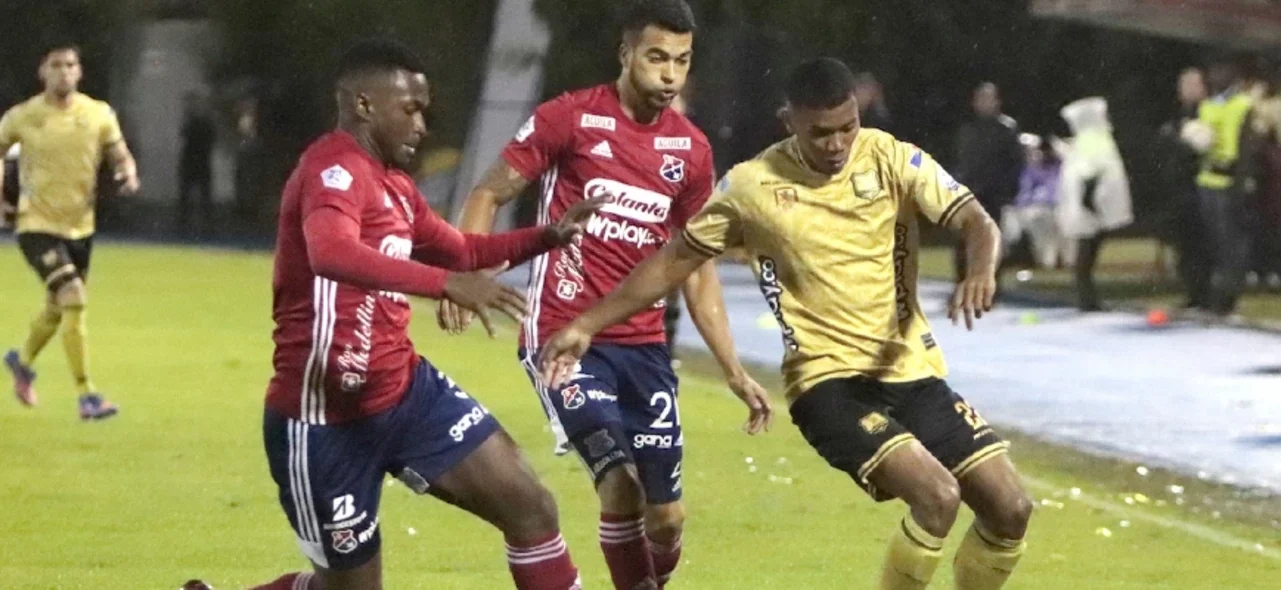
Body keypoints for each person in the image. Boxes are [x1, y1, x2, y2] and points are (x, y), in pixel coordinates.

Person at [541, 57, 1034, 590]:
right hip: (828, 385)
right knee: (937, 497)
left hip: (912, 373)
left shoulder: (890, 156)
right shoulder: (752, 187)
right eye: (820, 132)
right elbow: (673, 262)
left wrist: (980, 270)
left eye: (847, 126)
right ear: (789, 121)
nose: (837, 144)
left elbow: (976, 220)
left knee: (1011, 507)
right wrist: (588, 323)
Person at [221, 40, 598, 590]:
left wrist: (547, 236)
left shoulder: (395, 186)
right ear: (364, 104)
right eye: (411, 109)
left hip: (405, 394)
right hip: (323, 420)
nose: (422, 125)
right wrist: (445, 285)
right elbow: (331, 252)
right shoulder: (333, 170)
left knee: (531, 507)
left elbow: (462, 251)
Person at [441, 1, 769, 588]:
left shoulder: (692, 151)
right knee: (620, 484)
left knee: (666, 518)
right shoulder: (569, 118)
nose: (669, 74)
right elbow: (489, 193)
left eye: (682, 61)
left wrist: (733, 369)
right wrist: (466, 271)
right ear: (625, 54)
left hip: (643, 348)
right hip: (563, 336)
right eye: (656, 58)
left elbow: (697, 270)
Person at [1, 43, 140, 419]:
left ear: (79, 72)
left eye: (70, 65)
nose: (64, 71)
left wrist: (128, 172)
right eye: (56, 65)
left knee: (56, 307)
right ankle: (86, 396)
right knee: (73, 297)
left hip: (81, 227)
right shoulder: (23, 116)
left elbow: (120, 154)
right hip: (36, 225)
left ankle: (21, 361)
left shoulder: (98, 114)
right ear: (42, 72)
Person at [1194, 59, 1260, 317]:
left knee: (1230, 242)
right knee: (1214, 242)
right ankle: (1215, 296)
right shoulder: (1207, 105)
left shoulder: (1242, 105)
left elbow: (1248, 145)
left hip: (1230, 180)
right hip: (1207, 178)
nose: (1215, 76)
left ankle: (1228, 298)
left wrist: (1242, 180)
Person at [1056, 97, 1133, 312]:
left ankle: (1086, 297)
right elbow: (1092, 170)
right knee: (1086, 251)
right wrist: (1092, 203)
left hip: (1089, 203)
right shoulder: (1094, 138)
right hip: (1091, 204)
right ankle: (1086, 298)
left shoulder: (1088, 138)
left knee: (1086, 250)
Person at [954, 81, 1022, 287]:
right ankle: (961, 283)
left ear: (997, 101)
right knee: (964, 241)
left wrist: (1007, 190)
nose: (984, 103)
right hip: (969, 193)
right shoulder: (968, 130)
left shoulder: (1006, 129)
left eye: (988, 98)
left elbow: (1014, 163)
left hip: (994, 194)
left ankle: (991, 285)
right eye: (980, 99)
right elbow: (963, 161)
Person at [1156, 68, 1211, 309]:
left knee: (1202, 243)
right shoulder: (1177, 118)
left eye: (1193, 85)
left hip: (1201, 187)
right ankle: (1192, 293)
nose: (1187, 91)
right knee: (1184, 244)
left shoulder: (1208, 113)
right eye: (1184, 86)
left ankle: (1206, 294)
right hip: (1179, 189)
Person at [177, 91, 217, 235]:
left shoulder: (202, 123)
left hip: (197, 161)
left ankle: (202, 223)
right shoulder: (199, 122)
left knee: (200, 195)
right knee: (191, 195)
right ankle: (188, 223)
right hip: (196, 162)